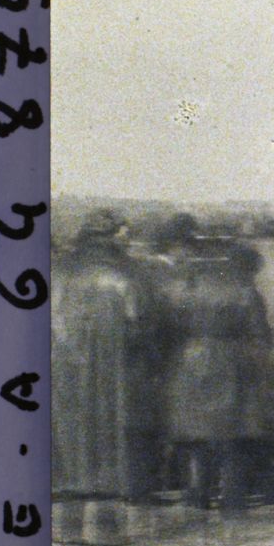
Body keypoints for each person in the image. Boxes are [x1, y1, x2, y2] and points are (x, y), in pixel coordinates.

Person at [53, 210, 168, 501]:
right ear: (108, 237)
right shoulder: (128, 274)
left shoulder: (62, 270)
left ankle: (76, 479)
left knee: (74, 418)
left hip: (68, 358)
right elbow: (141, 322)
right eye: (121, 234)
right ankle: (117, 481)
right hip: (119, 360)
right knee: (120, 418)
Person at [158, 218, 273, 510]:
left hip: (186, 359)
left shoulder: (179, 282)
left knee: (194, 435)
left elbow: (162, 326)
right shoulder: (241, 283)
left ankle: (196, 493)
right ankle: (233, 495)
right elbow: (259, 331)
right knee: (233, 435)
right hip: (232, 360)